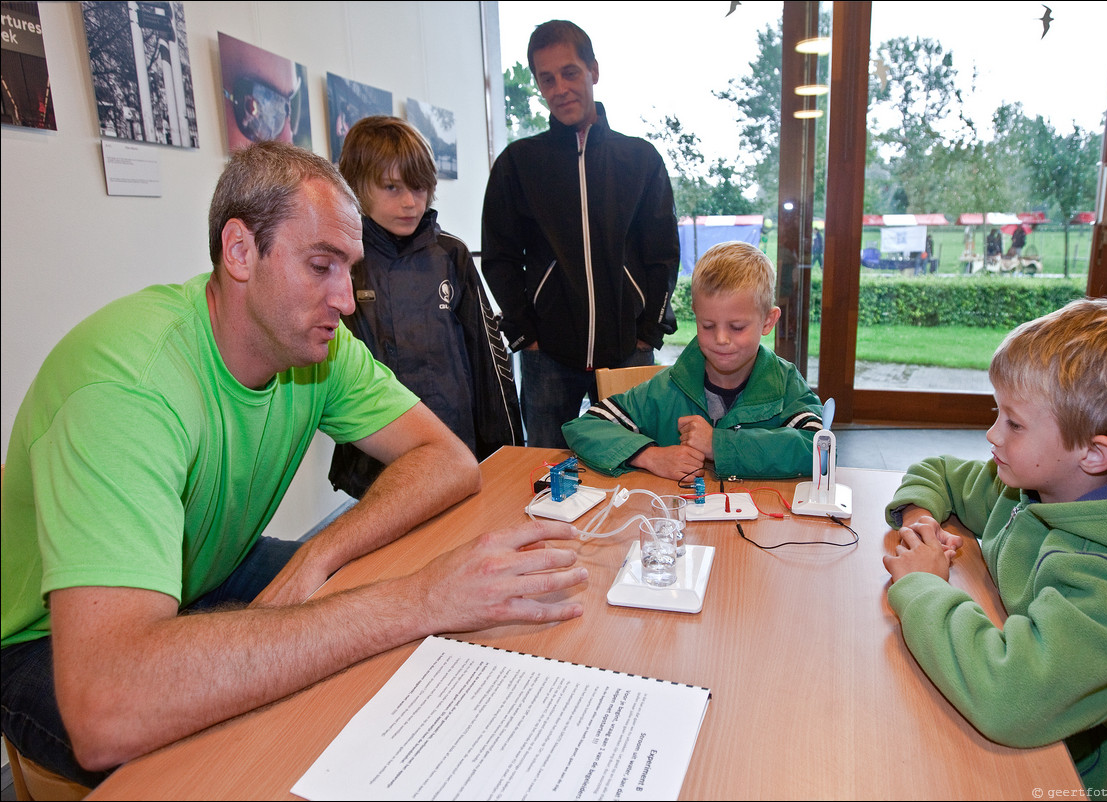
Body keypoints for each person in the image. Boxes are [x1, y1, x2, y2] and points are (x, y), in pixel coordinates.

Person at [0, 141, 588, 788]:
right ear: (240, 251)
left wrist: (318, 556)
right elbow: (107, 703)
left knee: (380, 598)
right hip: (43, 639)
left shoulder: (321, 347)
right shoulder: (127, 389)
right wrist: (414, 601)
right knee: (248, 750)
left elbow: (446, 460)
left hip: (204, 567)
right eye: (321, 265)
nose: (346, 299)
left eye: (350, 269)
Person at [882, 298, 1107, 797]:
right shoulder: (1039, 487)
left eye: (1014, 423)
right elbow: (939, 471)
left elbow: (1007, 698)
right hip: (1034, 752)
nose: (992, 433)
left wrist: (923, 583)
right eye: (997, 413)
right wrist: (921, 521)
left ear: (1093, 454)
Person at [481, 19, 680, 449]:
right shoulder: (518, 164)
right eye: (546, 78)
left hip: (629, 349)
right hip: (547, 355)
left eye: (570, 72)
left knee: (636, 463)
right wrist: (525, 334)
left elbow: (663, 254)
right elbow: (499, 256)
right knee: (546, 474)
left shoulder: (640, 159)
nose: (560, 88)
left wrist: (649, 331)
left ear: (593, 70)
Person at [328, 116, 521, 499]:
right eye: (391, 187)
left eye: (419, 188)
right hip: (376, 461)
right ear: (355, 185)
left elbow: (490, 363)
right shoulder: (345, 263)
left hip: (456, 443)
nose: (409, 202)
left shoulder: (452, 256)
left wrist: (508, 450)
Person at [562, 241, 823, 480]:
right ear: (695, 315)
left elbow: (819, 449)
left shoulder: (785, 383)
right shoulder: (666, 388)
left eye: (737, 327)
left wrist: (718, 445)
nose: (721, 339)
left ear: (768, 321)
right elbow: (585, 426)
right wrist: (649, 456)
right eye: (708, 325)